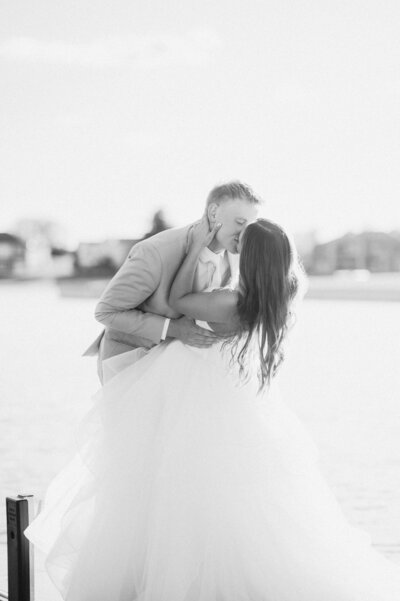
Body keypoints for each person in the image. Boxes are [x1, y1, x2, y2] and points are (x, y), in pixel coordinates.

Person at [25, 217, 400, 600]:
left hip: (198, 402)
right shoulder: (286, 293)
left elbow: (178, 301)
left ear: (251, 260)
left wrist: (194, 252)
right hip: (237, 403)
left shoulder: (232, 303)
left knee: (177, 493)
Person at [82, 180, 261, 383]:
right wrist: (174, 329)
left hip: (181, 374)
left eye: (250, 225)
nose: (245, 232)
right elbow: (106, 312)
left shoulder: (237, 255)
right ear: (213, 213)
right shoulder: (156, 252)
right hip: (129, 366)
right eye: (240, 222)